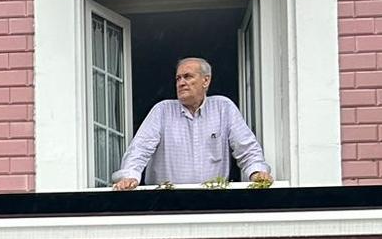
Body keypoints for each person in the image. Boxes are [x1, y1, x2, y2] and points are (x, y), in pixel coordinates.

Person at [110, 55, 270, 188]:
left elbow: (247, 148)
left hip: (213, 202)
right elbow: (139, 149)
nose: (181, 82)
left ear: (205, 81)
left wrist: (256, 172)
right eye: (178, 78)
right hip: (165, 204)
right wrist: (130, 176)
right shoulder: (162, 111)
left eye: (187, 77)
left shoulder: (223, 108)